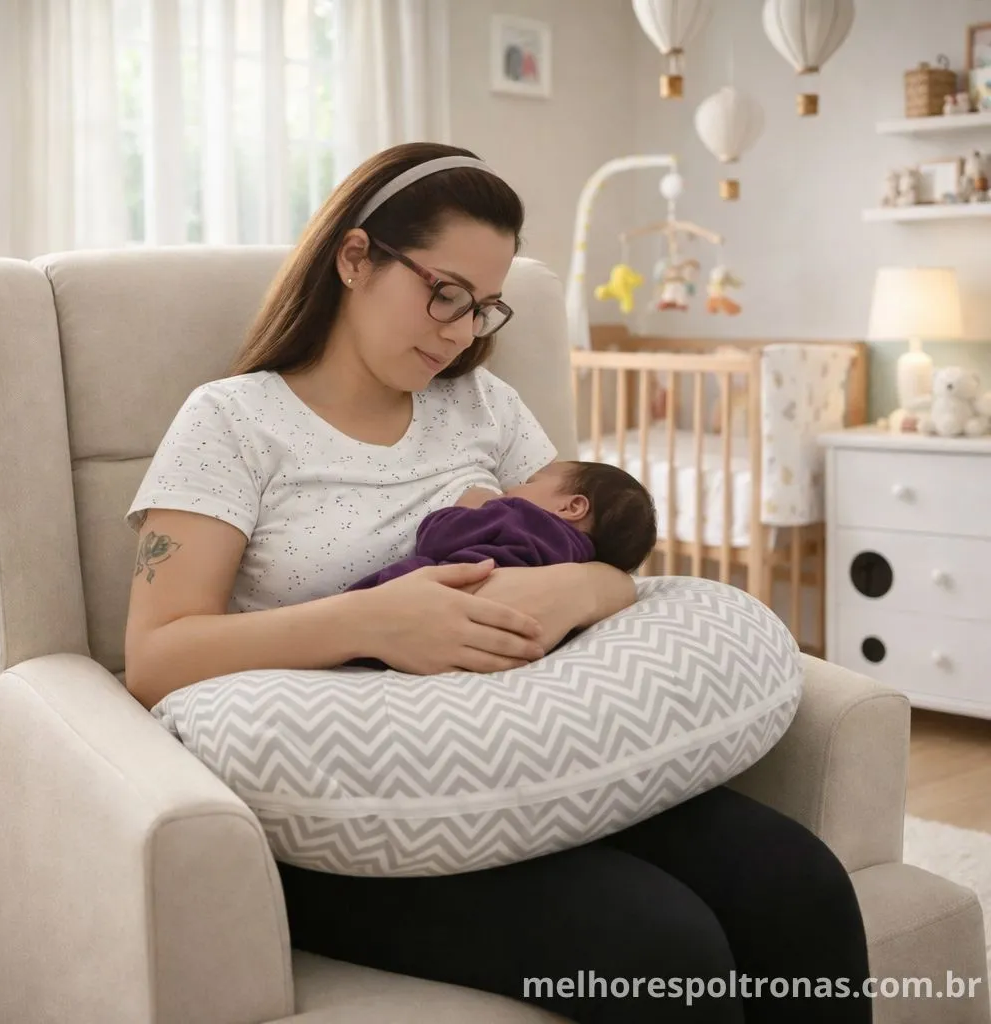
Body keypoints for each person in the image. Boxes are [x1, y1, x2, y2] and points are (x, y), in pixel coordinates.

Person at [123, 141, 872, 1024]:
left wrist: (585, 593)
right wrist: (370, 623)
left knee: (800, 883)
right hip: (355, 809)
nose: (457, 332)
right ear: (356, 257)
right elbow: (157, 656)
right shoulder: (233, 421)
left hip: (527, 753)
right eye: (443, 293)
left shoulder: (484, 408)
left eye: (482, 310)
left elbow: (592, 542)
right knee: (660, 950)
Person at [345, 460, 658, 591]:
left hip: (443, 593)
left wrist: (471, 505)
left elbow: (435, 539)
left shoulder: (518, 515)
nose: (513, 486)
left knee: (399, 580)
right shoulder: (576, 563)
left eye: (529, 481)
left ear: (571, 506)